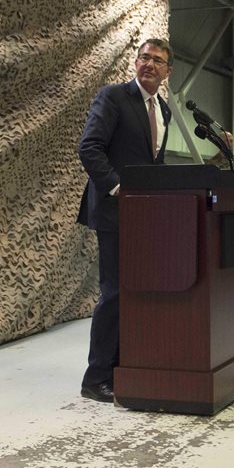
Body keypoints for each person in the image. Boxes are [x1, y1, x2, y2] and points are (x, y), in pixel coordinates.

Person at [76, 38, 172, 403]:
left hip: (144, 217)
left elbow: (153, 164)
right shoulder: (113, 97)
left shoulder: (163, 109)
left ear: (167, 71)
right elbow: (90, 147)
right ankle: (96, 376)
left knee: (135, 293)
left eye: (157, 60)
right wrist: (117, 188)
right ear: (135, 62)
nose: (149, 64)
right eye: (144, 57)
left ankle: (122, 366)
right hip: (115, 212)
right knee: (114, 292)